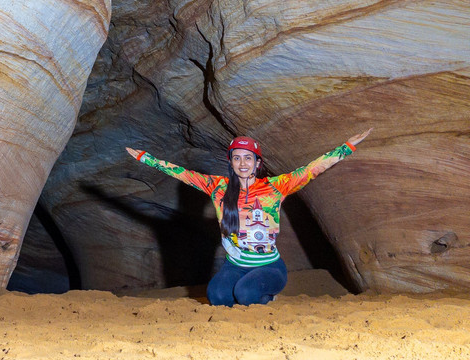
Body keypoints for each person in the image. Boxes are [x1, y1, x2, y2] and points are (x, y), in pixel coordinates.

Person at [126, 128, 372, 306]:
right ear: (230, 162)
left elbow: (311, 170)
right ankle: (244, 291)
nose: (242, 163)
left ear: (257, 163)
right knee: (217, 297)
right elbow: (181, 173)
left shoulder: (276, 186)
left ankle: (269, 296)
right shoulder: (217, 186)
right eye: (237, 157)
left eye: (248, 157)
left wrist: (347, 147)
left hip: (268, 266)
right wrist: (144, 158)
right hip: (235, 264)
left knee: (246, 295)